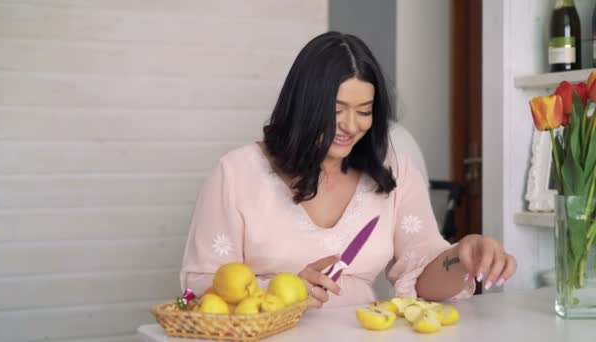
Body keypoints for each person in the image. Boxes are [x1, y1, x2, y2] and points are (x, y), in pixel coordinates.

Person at [180, 31, 517, 308]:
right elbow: (196, 290)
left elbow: (424, 279)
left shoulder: (392, 171)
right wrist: (279, 291)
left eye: (364, 110)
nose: (351, 126)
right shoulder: (236, 174)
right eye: (336, 109)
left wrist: (462, 256)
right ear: (304, 104)